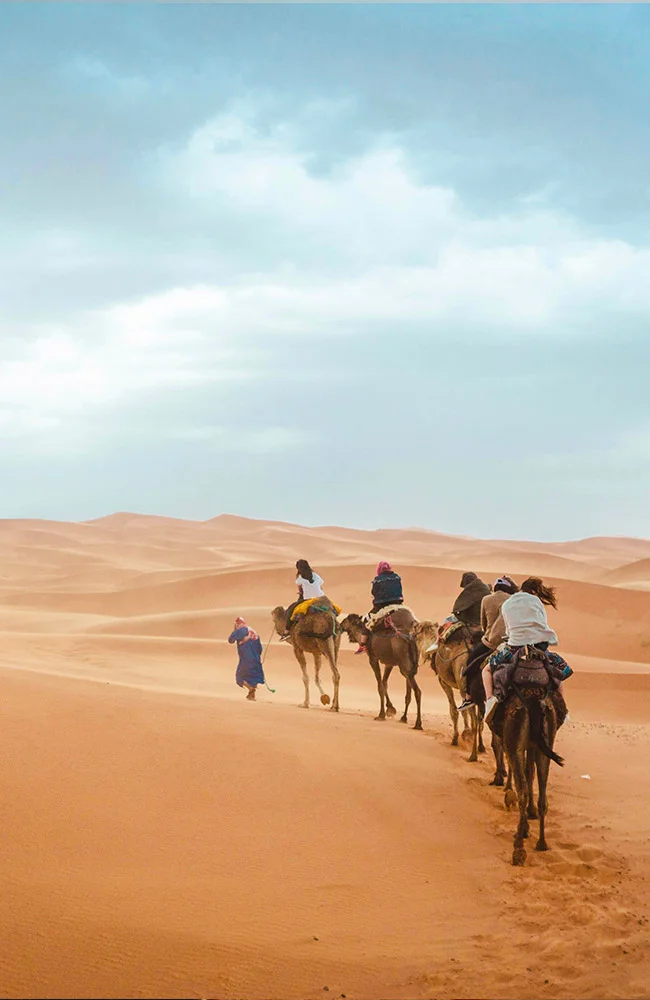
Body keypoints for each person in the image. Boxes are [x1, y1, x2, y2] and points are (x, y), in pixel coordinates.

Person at [483, 577, 566, 715]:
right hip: (539, 647)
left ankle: (490, 703)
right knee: (559, 673)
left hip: (515, 647)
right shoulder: (536, 601)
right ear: (533, 591)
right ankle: (563, 710)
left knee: (486, 671)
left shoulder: (507, 604)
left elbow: (508, 630)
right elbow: (543, 623)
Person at [457, 576, 519, 712]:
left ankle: (468, 697)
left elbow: (484, 624)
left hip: (491, 643)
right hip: (513, 642)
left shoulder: (486, 599)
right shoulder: (513, 600)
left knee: (471, 662)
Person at [355, 561, 404, 655]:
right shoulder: (396, 577)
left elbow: (374, 592)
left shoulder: (377, 580)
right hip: (398, 604)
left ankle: (363, 645)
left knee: (366, 620)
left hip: (381, 606)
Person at [280, 559, 326, 641]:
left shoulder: (300, 578)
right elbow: (321, 587)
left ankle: (286, 632)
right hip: (321, 598)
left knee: (291, 609)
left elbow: (301, 591)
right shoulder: (316, 575)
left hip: (308, 599)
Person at [228, 616, 265, 700]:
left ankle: (251, 689)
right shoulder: (253, 631)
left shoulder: (240, 630)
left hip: (246, 659)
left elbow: (230, 640)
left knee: (239, 677)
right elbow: (260, 648)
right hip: (256, 659)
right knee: (253, 678)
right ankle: (252, 696)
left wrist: (235, 631)